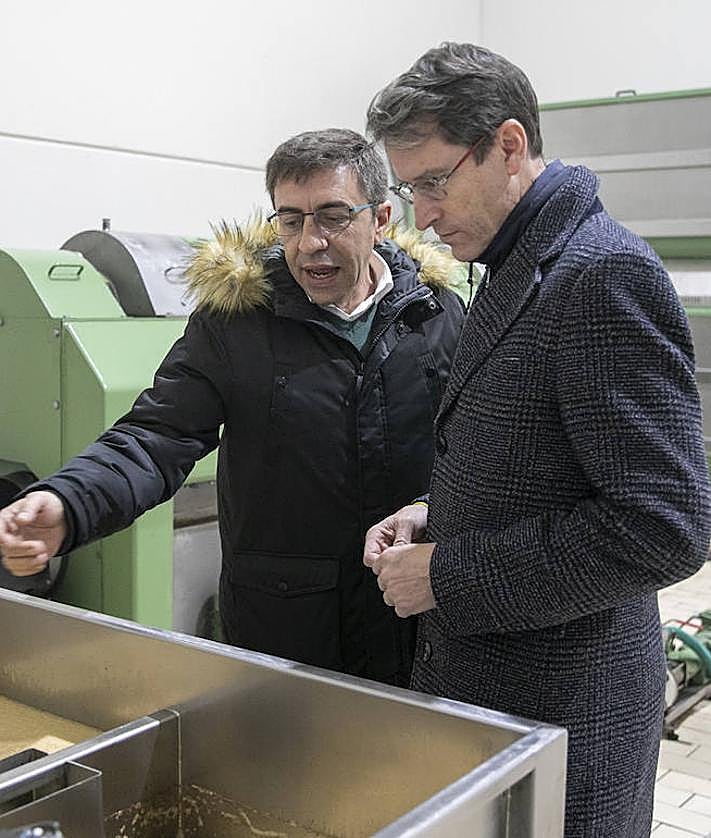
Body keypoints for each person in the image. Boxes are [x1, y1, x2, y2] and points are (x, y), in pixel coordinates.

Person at [363, 42, 711, 836]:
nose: (421, 214)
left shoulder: (600, 276)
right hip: (502, 702)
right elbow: (540, 461)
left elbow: (663, 529)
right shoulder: (515, 263)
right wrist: (433, 513)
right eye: (408, 189)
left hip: (565, 716)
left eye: (433, 182)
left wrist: (449, 574)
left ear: (508, 146)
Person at [0, 128, 465, 688]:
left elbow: (471, 454)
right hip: (285, 637)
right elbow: (156, 436)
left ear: (381, 218)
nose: (310, 242)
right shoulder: (237, 323)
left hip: (415, 625)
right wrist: (69, 501)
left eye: (333, 216)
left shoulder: (435, 315)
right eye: (290, 220)